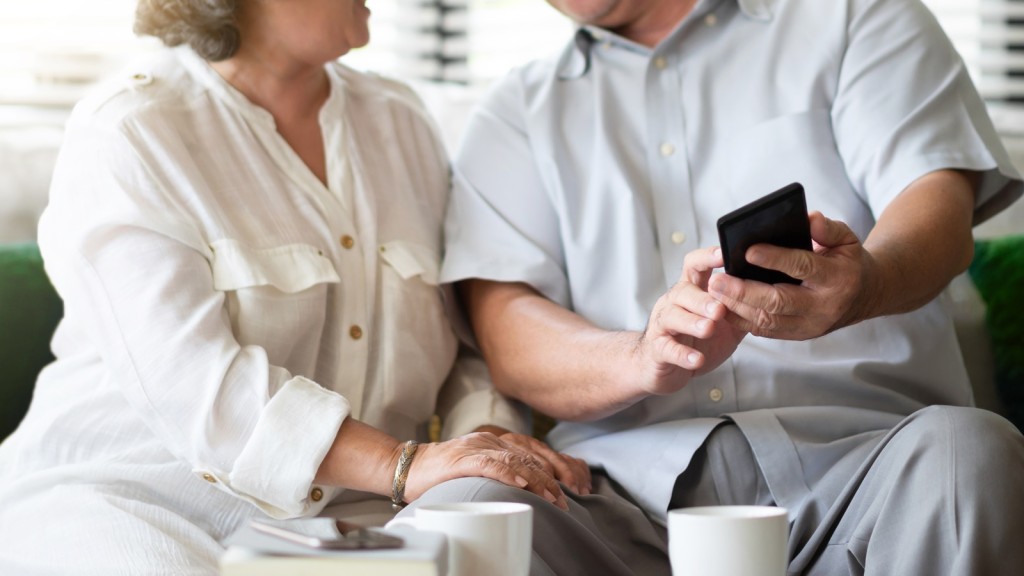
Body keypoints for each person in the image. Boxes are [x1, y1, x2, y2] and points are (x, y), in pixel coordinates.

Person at [435, 0, 1024, 574]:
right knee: (464, 514)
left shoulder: (856, 16)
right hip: (613, 497)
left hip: (869, 469)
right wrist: (641, 356)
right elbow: (507, 328)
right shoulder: (513, 114)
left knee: (966, 453)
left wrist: (870, 284)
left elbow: (936, 210)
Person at [0, 0, 586, 573]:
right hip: (135, 502)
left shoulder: (399, 120)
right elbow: (198, 388)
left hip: (357, 519)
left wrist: (484, 437)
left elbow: (462, 340)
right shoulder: (132, 130)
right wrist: (403, 463)